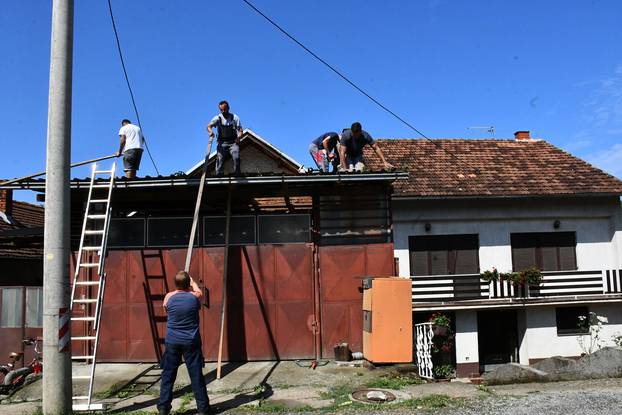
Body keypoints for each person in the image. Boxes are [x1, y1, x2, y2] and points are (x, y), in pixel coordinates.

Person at [158, 271, 210, 415]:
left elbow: (166, 309)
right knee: (196, 375)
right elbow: (199, 292)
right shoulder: (195, 297)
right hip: (191, 342)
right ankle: (203, 409)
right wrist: (193, 284)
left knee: (168, 374)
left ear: (175, 284)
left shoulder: (168, 297)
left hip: (172, 341)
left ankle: (163, 407)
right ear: (189, 284)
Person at [207, 100, 243, 176]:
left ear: (228, 108)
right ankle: (219, 175)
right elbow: (209, 126)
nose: (223, 111)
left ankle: (237, 174)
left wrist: (239, 137)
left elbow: (240, 130)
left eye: (225, 109)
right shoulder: (217, 118)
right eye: (221, 110)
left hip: (233, 142)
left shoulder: (234, 117)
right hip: (222, 143)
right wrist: (210, 132)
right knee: (220, 158)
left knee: (236, 157)